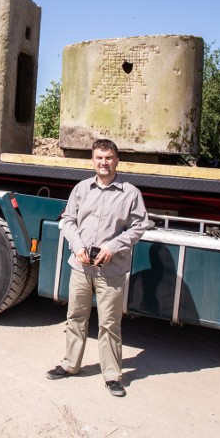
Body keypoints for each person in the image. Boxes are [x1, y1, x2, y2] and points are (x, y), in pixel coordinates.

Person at [46, 138, 149, 397]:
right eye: (99, 157)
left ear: (117, 161)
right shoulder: (81, 189)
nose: (104, 162)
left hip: (110, 270)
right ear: (93, 161)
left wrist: (113, 246)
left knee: (109, 324)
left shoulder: (130, 194)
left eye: (109, 157)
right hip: (81, 267)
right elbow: (68, 220)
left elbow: (139, 226)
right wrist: (77, 245)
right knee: (76, 318)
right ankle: (70, 365)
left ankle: (113, 375)